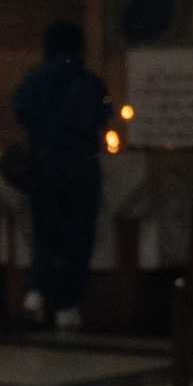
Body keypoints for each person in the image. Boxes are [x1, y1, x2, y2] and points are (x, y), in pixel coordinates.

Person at [11, 17, 113, 330]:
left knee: (44, 232)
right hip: (82, 166)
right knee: (77, 235)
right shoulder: (90, 82)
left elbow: (20, 110)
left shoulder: (34, 79)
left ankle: (35, 296)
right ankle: (68, 307)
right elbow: (104, 115)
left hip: (47, 163)